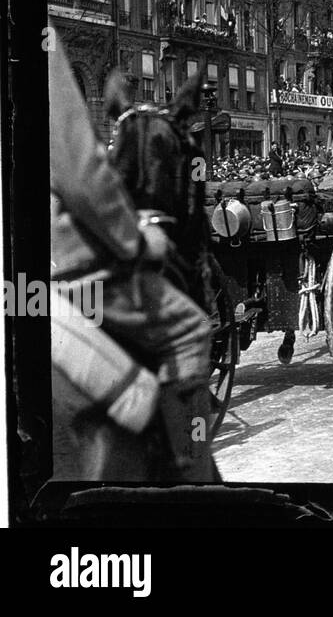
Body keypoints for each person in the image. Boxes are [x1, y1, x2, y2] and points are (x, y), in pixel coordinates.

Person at [48, 24, 216, 481]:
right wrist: (137, 241)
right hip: (60, 266)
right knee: (190, 329)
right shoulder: (36, 36)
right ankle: (194, 471)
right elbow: (81, 176)